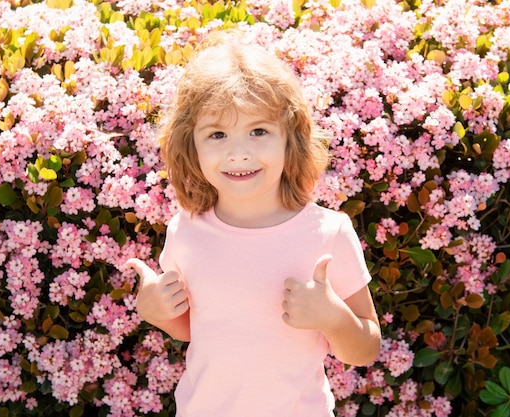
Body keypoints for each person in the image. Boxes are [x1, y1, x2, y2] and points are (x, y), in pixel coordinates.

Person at [125, 31, 381, 417]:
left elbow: (365, 349)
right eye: (217, 134)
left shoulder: (328, 233)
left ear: (290, 138)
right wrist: (155, 311)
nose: (238, 152)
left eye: (259, 131)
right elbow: (201, 329)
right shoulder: (186, 231)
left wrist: (333, 317)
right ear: (190, 145)